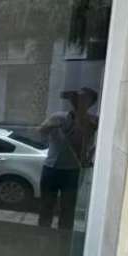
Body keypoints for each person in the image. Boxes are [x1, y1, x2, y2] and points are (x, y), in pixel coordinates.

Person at [37, 88, 99, 230]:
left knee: (68, 210)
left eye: (85, 99)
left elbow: (102, 142)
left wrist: (89, 156)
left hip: (73, 171)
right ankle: (41, 236)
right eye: (78, 97)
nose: (80, 101)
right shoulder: (58, 117)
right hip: (51, 168)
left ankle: (63, 240)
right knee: (46, 206)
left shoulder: (93, 121)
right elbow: (40, 132)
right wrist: (48, 126)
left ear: (91, 103)